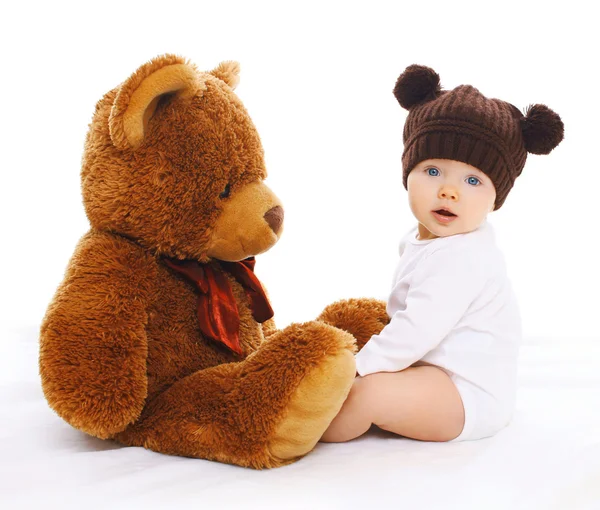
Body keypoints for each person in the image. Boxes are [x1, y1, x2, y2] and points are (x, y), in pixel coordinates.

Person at [321, 64, 564, 443]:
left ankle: (295, 430)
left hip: (467, 395)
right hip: (435, 371)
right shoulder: (425, 240)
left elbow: (416, 330)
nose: (449, 191)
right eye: (433, 171)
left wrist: (354, 369)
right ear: (407, 174)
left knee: (363, 394)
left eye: (472, 181)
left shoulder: (462, 257)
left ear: (495, 199)